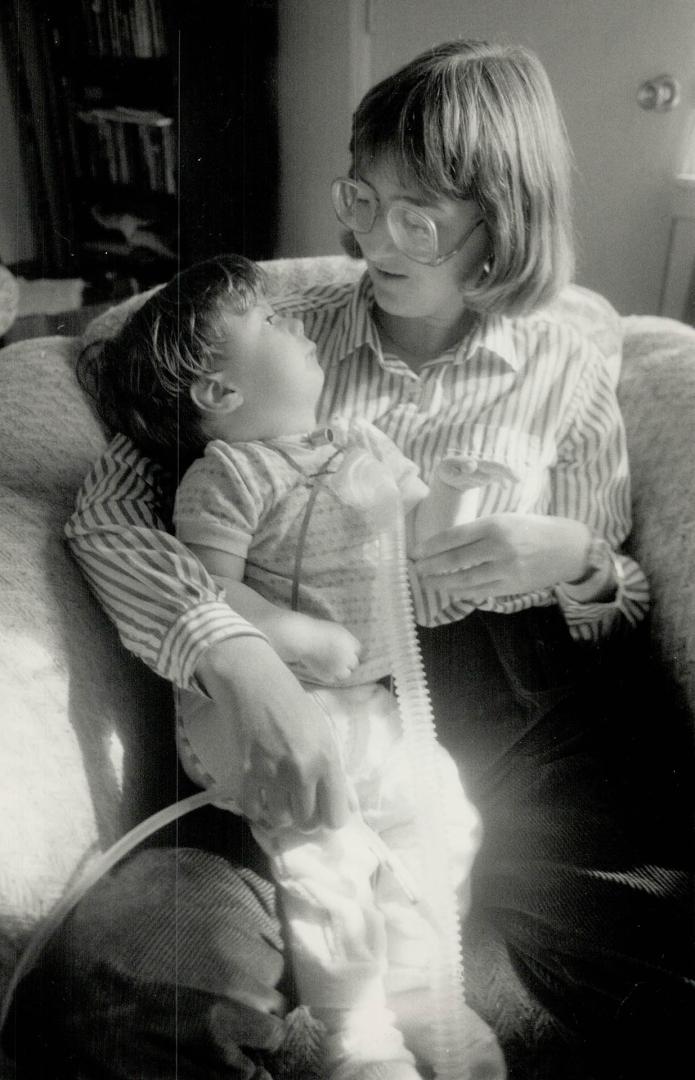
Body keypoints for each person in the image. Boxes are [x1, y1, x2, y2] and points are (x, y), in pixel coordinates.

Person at [51, 38, 692, 1080]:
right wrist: (243, 656)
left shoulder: (565, 368)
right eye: (359, 195)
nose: (367, 237)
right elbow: (111, 508)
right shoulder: (273, 334)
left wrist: (570, 556)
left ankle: (406, 1002)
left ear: (501, 216)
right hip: (300, 696)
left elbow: (614, 599)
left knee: (595, 957)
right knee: (131, 973)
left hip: (502, 714)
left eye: (417, 213)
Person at [71, 251, 502, 1080]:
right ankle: (355, 1031)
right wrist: (294, 638)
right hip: (259, 712)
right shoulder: (225, 477)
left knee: (440, 819)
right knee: (328, 856)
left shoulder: (360, 443)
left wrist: (448, 491)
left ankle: (422, 991)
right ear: (220, 394)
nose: (297, 322)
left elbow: (419, 540)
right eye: (268, 321)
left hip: (369, 704)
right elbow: (214, 589)